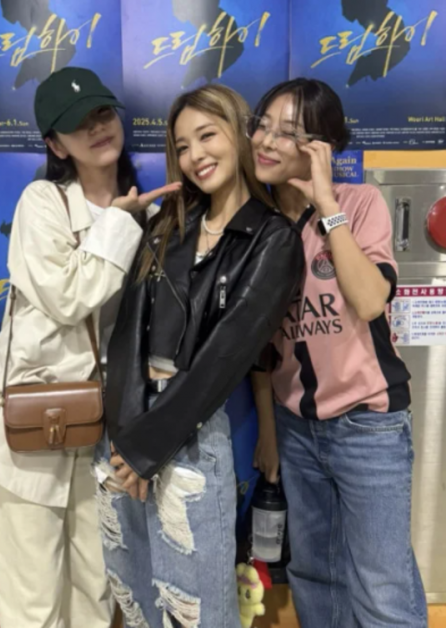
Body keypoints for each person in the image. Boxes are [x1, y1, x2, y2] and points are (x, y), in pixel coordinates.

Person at [0, 67, 179, 628]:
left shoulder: (151, 218)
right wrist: (119, 223)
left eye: (102, 113)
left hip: (109, 430)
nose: (96, 128)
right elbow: (68, 297)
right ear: (56, 145)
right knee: (33, 605)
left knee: (96, 593)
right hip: (33, 427)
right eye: (77, 123)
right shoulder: (43, 202)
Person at [97, 83, 303, 628]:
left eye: (207, 136)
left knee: (196, 612)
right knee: (137, 602)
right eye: (183, 146)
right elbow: (128, 332)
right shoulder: (169, 223)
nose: (195, 156)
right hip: (125, 430)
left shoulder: (273, 239)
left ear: (240, 132)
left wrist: (146, 447)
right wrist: (125, 435)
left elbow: (224, 356)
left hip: (186, 434)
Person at [249, 77, 426, 628]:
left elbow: (371, 300)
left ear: (322, 147)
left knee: (381, 586)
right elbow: (259, 351)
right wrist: (269, 432)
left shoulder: (358, 204)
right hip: (296, 429)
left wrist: (327, 206)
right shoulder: (258, 227)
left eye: (288, 132)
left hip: (368, 426)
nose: (266, 141)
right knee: (315, 576)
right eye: (262, 125)